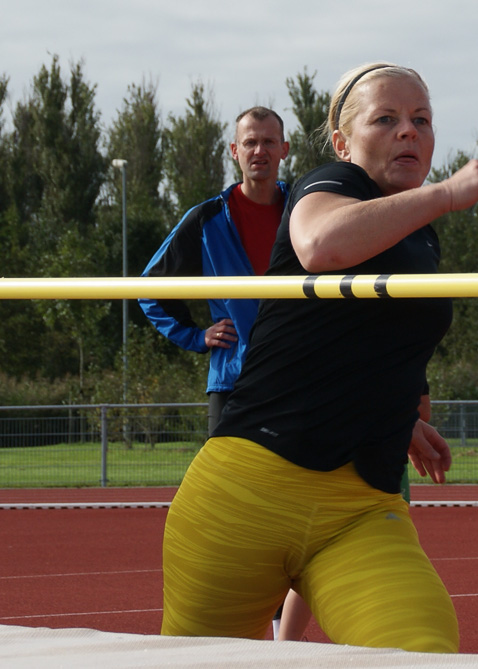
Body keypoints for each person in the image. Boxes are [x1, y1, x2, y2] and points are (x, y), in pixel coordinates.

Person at [158, 62, 478, 651]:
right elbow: (322, 245)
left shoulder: (421, 234)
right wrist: (446, 193)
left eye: (422, 120)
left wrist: (402, 417)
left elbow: (391, 339)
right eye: (387, 119)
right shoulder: (328, 185)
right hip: (246, 494)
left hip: (359, 510)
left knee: (422, 653)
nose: (410, 132)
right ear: (343, 143)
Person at [137, 106, 307, 640]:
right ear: (234, 152)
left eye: (269, 141)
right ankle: (232, 620)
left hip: (301, 381)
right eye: (249, 142)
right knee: (230, 503)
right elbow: (149, 289)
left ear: (285, 150)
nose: (260, 150)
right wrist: (195, 335)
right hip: (233, 382)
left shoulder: (307, 210)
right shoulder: (207, 218)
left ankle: (280, 626)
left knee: (297, 496)